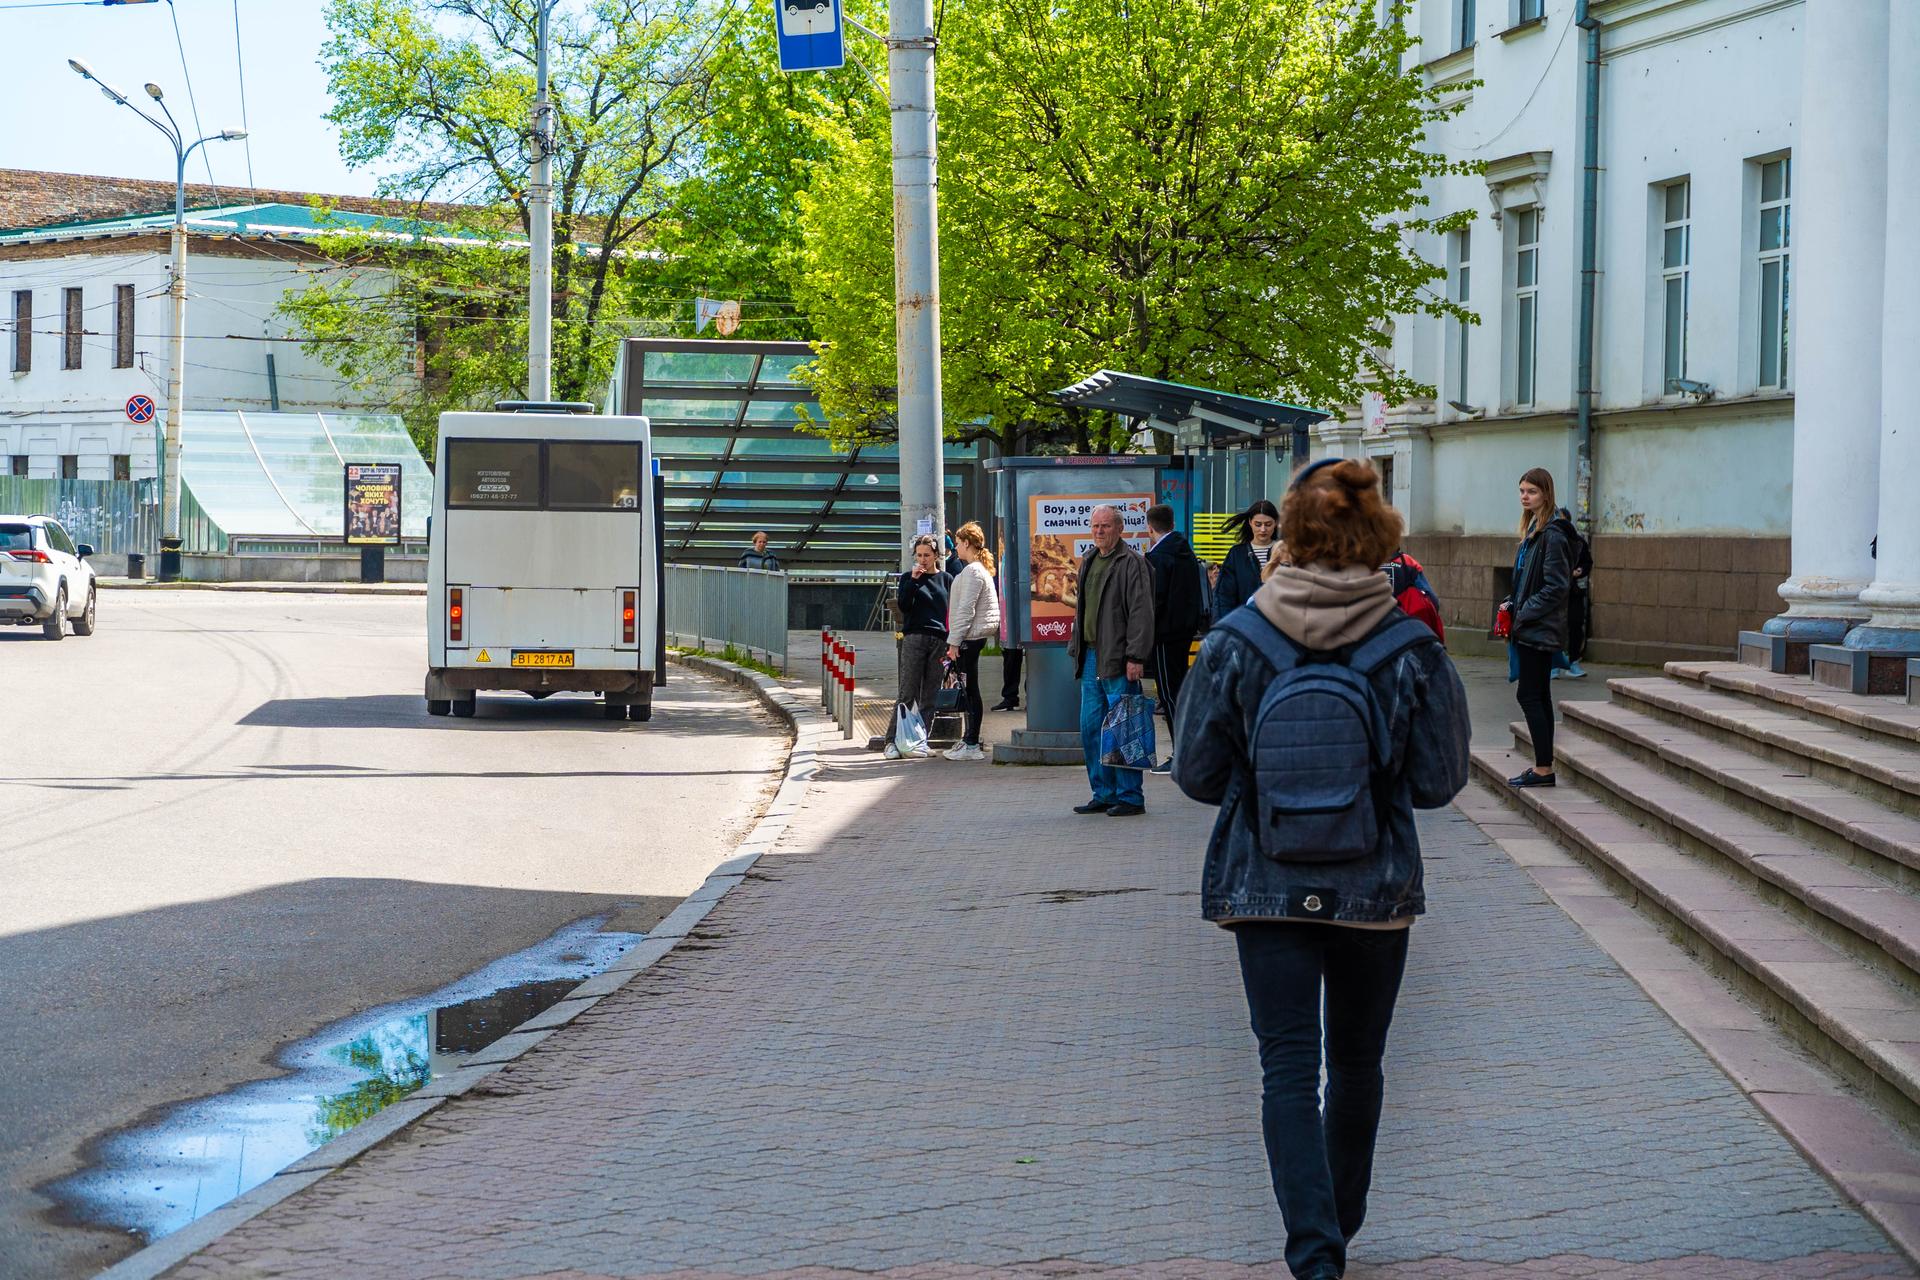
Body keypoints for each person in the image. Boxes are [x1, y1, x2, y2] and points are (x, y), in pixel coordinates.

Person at [1172, 459, 1470, 1280]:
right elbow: (1441, 782)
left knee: (1288, 1066)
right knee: (1359, 1063)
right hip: (1374, 891)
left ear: (1290, 535)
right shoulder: (1410, 644)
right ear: (1380, 538)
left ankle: (1314, 1250)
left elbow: (1195, 776)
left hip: (1263, 884)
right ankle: (1341, 1217)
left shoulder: (1238, 639)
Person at [1068, 505, 1156, 817]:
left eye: (1105, 526)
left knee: (1125, 728)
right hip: (1091, 655)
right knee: (1091, 727)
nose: (1099, 531)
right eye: (1095, 526)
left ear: (1119, 528)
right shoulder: (1089, 560)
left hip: (1119, 658)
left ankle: (1131, 796)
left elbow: (1141, 613)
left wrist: (1136, 656)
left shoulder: (1132, 562)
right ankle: (1103, 792)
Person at [1505, 469, 1576, 788]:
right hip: (1531, 626)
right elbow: (1526, 582)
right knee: (1538, 695)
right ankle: (1543, 766)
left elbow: (1556, 586)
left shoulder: (1553, 533)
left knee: (1530, 695)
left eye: (1532, 491)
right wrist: (1511, 604)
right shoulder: (1534, 530)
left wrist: (1523, 614)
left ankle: (1544, 768)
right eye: (1521, 490)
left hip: (1539, 628)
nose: (1524, 496)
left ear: (1546, 494)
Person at [1143, 504, 1204, 776]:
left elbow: (1154, 599)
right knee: (1178, 690)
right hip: (1183, 631)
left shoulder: (1159, 558)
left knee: (1169, 694)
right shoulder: (1184, 552)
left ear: (1150, 527)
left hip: (1164, 634)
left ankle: (1182, 753)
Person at [882, 535, 951, 760]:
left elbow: (950, 609)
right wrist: (912, 581)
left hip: (939, 639)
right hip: (914, 638)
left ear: (936, 556)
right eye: (919, 555)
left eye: (927, 555)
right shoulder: (908, 578)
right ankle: (891, 741)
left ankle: (920, 740)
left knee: (930, 694)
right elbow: (903, 605)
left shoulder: (947, 579)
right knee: (907, 691)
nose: (923, 560)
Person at [944, 521, 1001, 761]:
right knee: (969, 688)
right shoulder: (977, 570)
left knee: (970, 690)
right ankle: (970, 739)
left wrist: (954, 642)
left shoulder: (973, 572)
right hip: (972, 636)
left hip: (969, 637)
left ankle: (971, 741)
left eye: (958, 543)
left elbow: (965, 610)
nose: (956, 548)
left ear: (967, 543)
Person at [1212, 499, 1282, 620]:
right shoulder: (1237, 554)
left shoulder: (1285, 552)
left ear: (1275, 523)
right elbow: (1224, 597)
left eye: (1268, 524)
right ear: (1250, 522)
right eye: (1258, 524)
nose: (1263, 529)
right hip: (1244, 624)